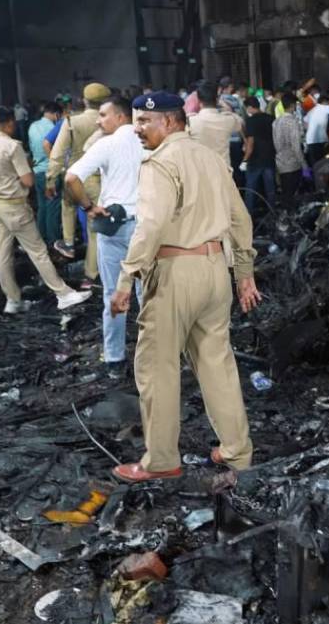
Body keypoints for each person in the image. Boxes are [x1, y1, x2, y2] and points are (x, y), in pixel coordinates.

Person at [107, 92, 260, 483]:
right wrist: (244, 273)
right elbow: (240, 219)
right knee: (217, 364)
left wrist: (126, 279)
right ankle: (237, 451)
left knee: (157, 368)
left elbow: (151, 225)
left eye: (145, 121)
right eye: (136, 121)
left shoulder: (160, 163)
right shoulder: (210, 158)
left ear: (171, 121)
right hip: (214, 270)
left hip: (175, 272)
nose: (137, 129)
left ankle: (160, 461)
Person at [0, 107, 91, 314]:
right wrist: (16, 175)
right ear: (9, 123)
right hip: (13, 204)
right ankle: (63, 294)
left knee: (3, 253)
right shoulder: (11, 146)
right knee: (38, 251)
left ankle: (12, 300)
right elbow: (28, 180)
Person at [65, 97, 144, 374]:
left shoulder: (106, 144)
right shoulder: (150, 141)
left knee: (113, 293)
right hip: (146, 228)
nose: (98, 121)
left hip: (114, 227)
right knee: (147, 293)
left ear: (120, 117)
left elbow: (71, 178)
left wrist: (89, 207)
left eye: (102, 115)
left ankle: (114, 358)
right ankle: (154, 355)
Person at [47, 83, 108, 275]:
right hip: (97, 180)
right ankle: (92, 274)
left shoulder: (72, 122)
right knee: (94, 231)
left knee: (67, 205)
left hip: (73, 176)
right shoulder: (110, 121)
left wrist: (50, 179)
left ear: (84, 100)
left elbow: (57, 154)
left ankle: (68, 243)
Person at [188, 82, 244, 169]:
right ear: (217, 99)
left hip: (200, 170)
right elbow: (241, 123)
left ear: (198, 100)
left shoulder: (190, 121)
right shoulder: (228, 119)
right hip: (223, 170)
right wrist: (228, 109)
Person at [29, 101, 62, 244]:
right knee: (53, 207)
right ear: (56, 114)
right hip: (51, 172)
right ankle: (53, 241)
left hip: (37, 171)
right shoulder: (55, 128)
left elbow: (31, 147)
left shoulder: (33, 126)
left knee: (42, 206)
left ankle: (40, 237)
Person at [242, 96, 276, 218]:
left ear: (250, 107)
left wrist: (245, 159)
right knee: (270, 189)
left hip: (255, 159)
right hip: (270, 157)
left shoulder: (250, 121)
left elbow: (250, 143)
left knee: (250, 189)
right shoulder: (271, 118)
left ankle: (248, 216)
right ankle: (273, 214)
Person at [273, 91, 305, 210]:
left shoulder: (276, 121)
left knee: (285, 192)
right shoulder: (292, 122)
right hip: (293, 163)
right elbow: (296, 147)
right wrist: (304, 164)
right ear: (292, 105)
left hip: (280, 162)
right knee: (292, 193)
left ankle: (284, 215)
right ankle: (291, 215)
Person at [303, 93, 329, 168]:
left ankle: (315, 175)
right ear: (325, 102)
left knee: (315, 164)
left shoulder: (312, 110)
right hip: (320, 141)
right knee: (323, 163)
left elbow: (305, 122)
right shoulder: (324, 108)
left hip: (310, 141)